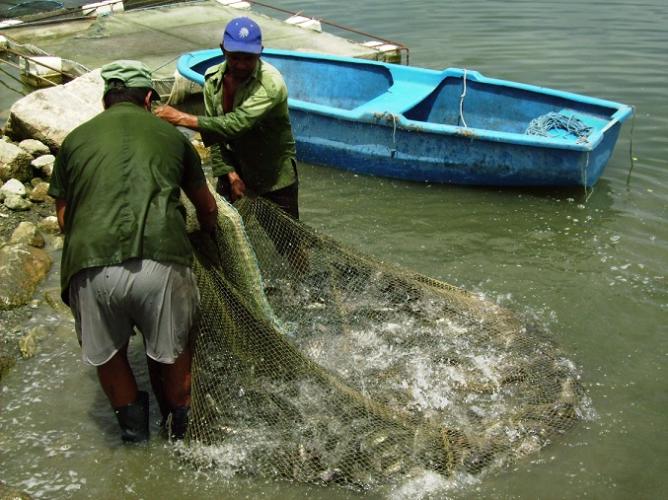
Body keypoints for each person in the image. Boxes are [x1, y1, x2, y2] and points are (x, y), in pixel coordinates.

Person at [48, 60, 218, 443]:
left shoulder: (75, 140)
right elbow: (206, 206)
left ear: (105, 100)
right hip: (163, 263)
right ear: (147, 98)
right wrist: (211, 239)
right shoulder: (172, 136)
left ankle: (135, 441)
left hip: (91, 267)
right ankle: (182, 439)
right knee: (172, 355)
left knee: (109, 356)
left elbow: (63, 218)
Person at [154, 16, 299, 219]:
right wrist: (231, 175)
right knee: (220, 226)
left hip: (273, 176)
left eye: (248, 59)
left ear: (260, 53)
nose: (240, 65)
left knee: (289, 245)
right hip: (232, 166)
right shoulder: (213, 80)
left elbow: (235, 125)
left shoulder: (270, 84)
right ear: (223, 50)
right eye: (234, 57)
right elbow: (214, 135)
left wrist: (180, 118)